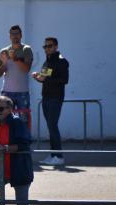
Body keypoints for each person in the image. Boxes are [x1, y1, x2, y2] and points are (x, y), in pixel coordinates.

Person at [33, 37, 69, 166]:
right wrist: (38, 77)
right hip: (46, 97)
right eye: (45, 46)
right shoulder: (47, 61)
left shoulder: (61, 61)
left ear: (56, 47)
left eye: (50, 46)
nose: (47, 48)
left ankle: (59, 156)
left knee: (53, 126)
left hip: (55, 98)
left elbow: (64, 80)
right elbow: (44, 79)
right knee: (50, 127)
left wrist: (46, 79)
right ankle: (53, 154)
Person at [0, 25, 33, 125]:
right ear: (9, 36)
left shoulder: (26, 49)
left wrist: (15, 59)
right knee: (5, 120)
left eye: (17, 34)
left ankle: (23, 140)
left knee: (24, 121)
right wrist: (4, 63)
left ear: (21, 35)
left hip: (23, 92)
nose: (15, 36)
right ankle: (8, 140)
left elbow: (26, 69)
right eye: (12, 34)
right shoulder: (3, 51)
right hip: (7, 92)